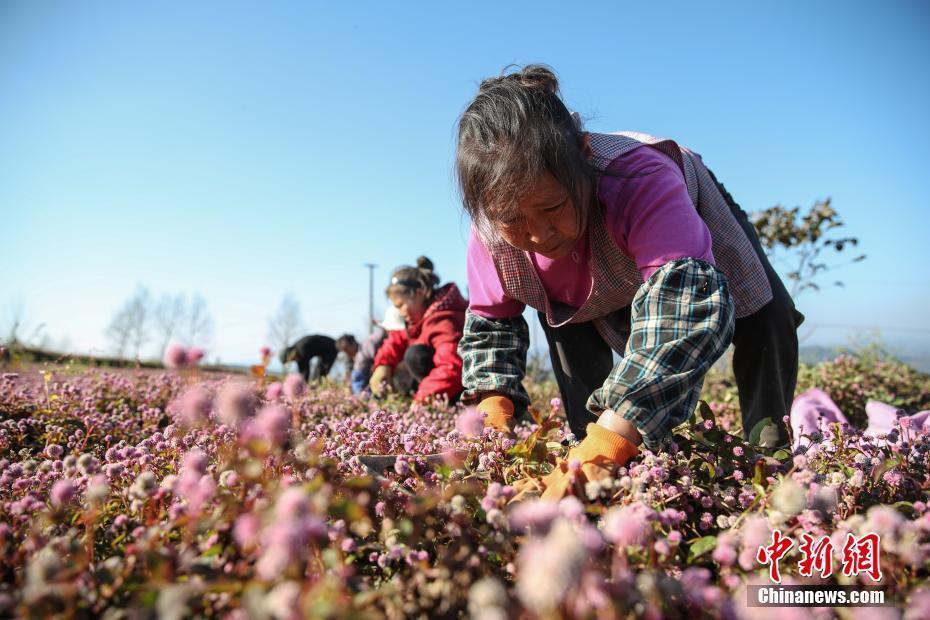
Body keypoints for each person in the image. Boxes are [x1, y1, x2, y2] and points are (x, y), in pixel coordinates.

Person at [455, 65, 804, 498]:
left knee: (766, 317)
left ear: (583, 157)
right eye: (512, 219)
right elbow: (491, 328)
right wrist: (495, 420)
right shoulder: (490, 235)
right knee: (568, 325)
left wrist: (612, 440)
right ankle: (593, 469)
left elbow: (683, 307)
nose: (540, 235)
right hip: (575, 287)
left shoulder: (641, 177)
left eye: (552, 206)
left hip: (684, 219)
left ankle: (768, 457)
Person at [369, 256, 468, 403]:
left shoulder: (445, 321)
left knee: (415, 354)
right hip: (442, 386)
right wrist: (383, 365)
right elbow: (399, 338)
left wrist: (421, 399)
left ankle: (450, 404)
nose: (400, 312)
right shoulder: (422, 318)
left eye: (400, 305)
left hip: (457, 387)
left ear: (419, 294)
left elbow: (451, 367)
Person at [336, 306, 407, 395]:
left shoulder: (367, 346)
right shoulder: (356, 356)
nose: (347, 353)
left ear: (352, 344)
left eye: (347, 349)